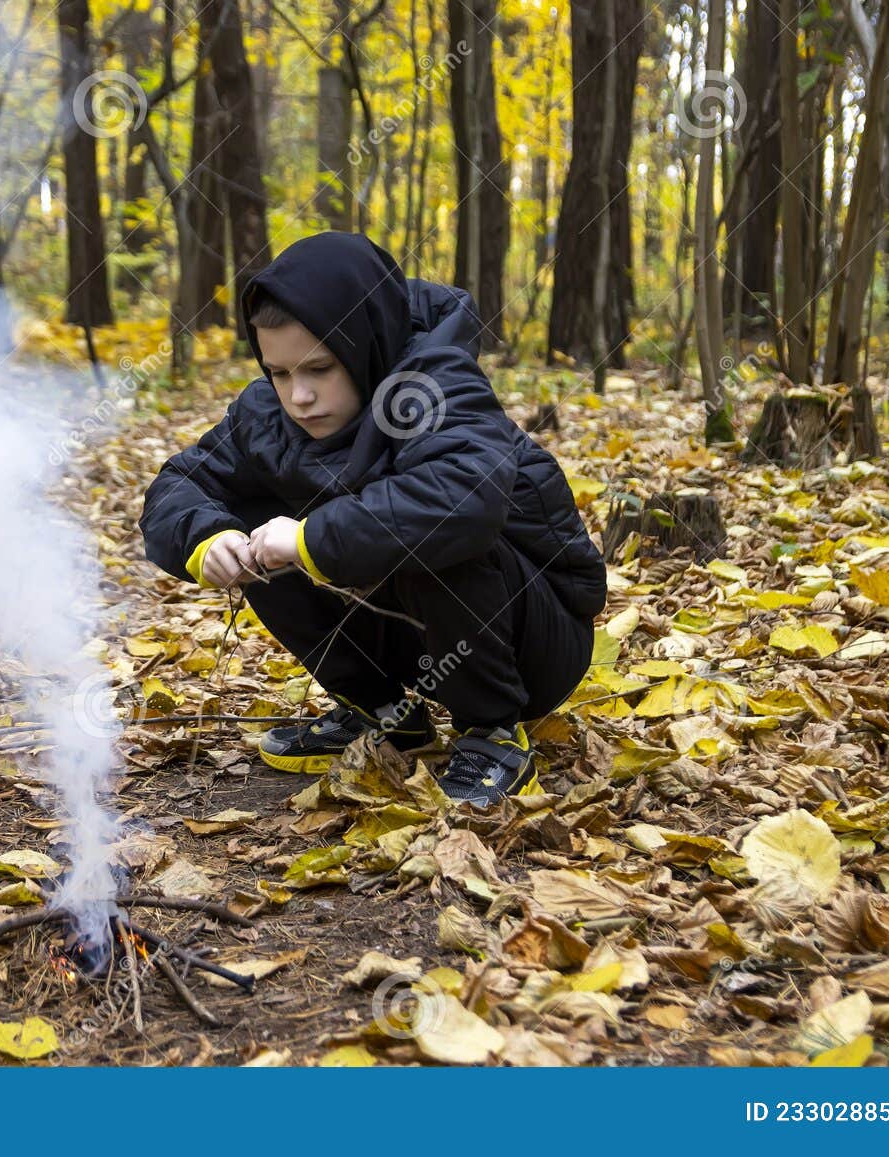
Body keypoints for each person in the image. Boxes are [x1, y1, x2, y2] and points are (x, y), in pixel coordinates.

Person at [139, 232, 606, 806]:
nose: (298, 397)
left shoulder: (437, 388)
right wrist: (208, 538)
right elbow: (177, 485)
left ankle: (491, 733)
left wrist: (309, 538)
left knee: (428, 529)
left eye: (319, 368)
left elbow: (463, 501)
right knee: (254, 520)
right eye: (279, 373)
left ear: (367, 344)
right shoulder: (265, 414)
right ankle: (387, 713)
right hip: (419, 629)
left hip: (533, 641)